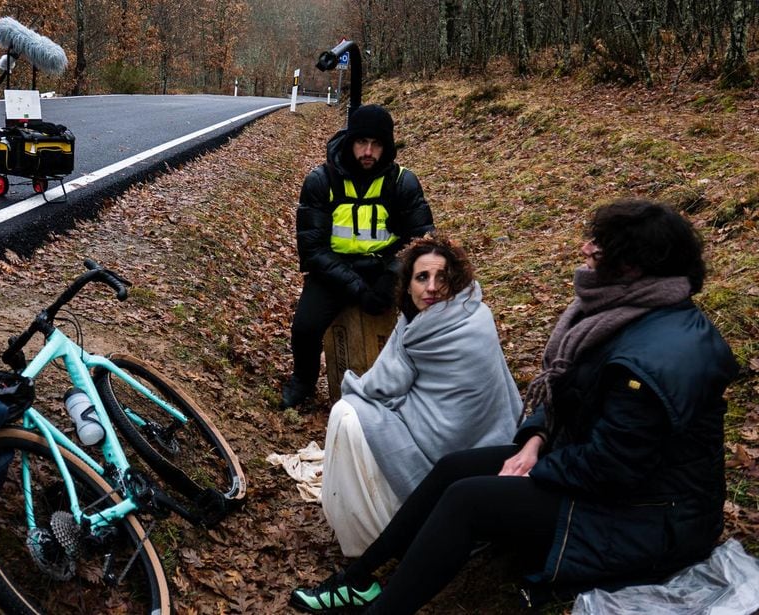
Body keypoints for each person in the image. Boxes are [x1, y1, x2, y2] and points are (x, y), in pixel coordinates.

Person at [289, 199, 739, 614]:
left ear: (631, 267)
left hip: (649, 516)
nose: (584, 247)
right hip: (597, 471)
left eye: (598, 247)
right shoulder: (620, 316)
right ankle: (359, 578)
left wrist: (537, 469)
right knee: (453, 468)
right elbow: (568, 396)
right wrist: (535, 440)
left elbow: (614, 469)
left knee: (468, 499)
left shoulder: (655, 356)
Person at [322, 235, 522, 557]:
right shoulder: (461, 312)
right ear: (408, 284)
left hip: (458, 447)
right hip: (484, 439)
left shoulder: (459, 326)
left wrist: (355, 389)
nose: (431, 287)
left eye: (441, 277)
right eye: (421, 277)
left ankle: (377, 530)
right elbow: (394, 385)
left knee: (346, 413)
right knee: (354, 413)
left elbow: (382, 387)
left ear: (455, 281)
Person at [281, 104, 435, 409]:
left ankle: (424, 384)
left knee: (426, 318)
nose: (368, 151)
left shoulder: (402, 182)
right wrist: (357, 288)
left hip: (387, 270)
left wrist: (390, 277)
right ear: (349, 142)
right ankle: (303, 381)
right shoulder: (322, 181)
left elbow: (422, 241)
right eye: (361, 142)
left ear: (387, 147)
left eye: (376, 144)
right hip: (333, 271)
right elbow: (313, 251)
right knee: (305, 328)